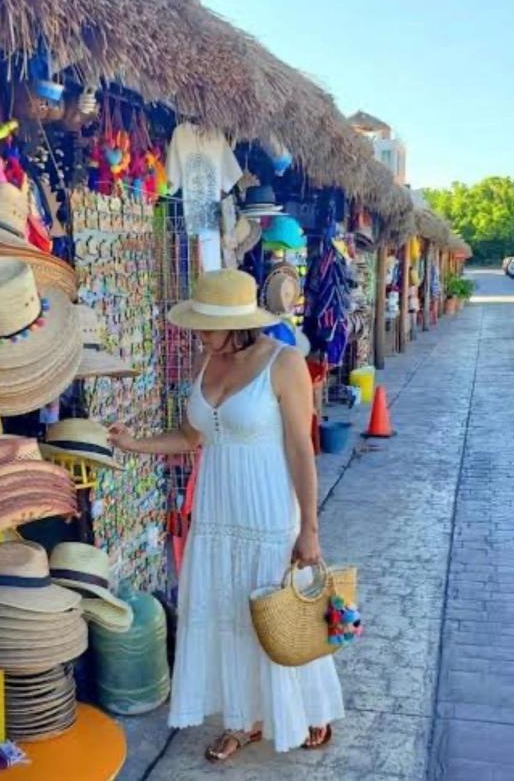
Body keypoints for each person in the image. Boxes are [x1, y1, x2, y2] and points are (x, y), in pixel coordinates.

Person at [109, 269, 343, 762]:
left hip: (266, 511)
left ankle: (309, 708)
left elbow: (302, 450)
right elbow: (195, 438)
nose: (198, 334)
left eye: (206, 325)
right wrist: (136, 444)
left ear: (237, 322)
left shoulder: (285, 363)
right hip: (216, 514)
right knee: (226, 616)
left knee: (282, 615)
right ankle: (243, 720)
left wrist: (309, 530)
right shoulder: (204, 361)